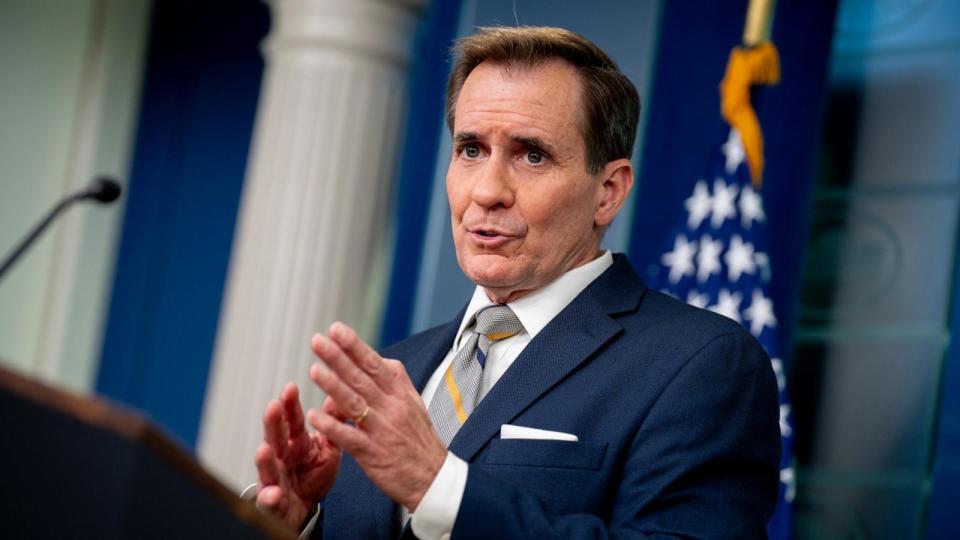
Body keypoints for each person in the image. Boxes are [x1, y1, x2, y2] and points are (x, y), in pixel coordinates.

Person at [252, 26, 780, 539]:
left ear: (609, 192)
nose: (487, 191)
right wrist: (302, 523)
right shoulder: (397, 371)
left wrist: (440, 489)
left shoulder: (701, 366)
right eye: (471, 150)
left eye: (532, 155)